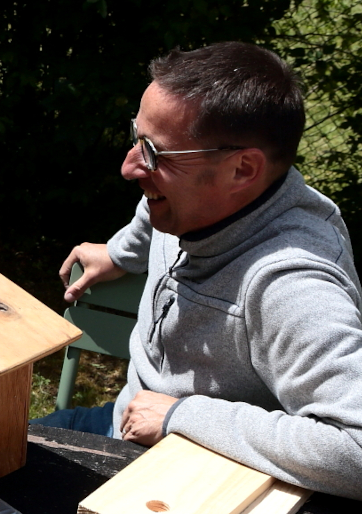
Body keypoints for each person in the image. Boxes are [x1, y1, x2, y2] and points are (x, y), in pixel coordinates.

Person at [44, 43, 362, 499]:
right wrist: (118, 253)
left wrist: (182, 416)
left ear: (242, 169)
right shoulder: (195, 202)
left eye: (154, 152)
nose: (130, 166)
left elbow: (356, 447)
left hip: (181, 475)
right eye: (137, 136)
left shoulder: (290, 284)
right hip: (118, 420)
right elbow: (149, 217)